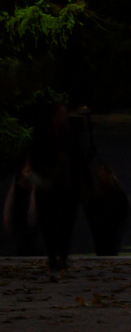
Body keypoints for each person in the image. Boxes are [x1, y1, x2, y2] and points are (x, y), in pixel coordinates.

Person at [28, 104, 84, 270]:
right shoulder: (44, 133)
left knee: (65, 222)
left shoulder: (68, 132)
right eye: (61, 113)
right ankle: (54, 256)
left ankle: (61, 256)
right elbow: (36, 157)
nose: (64, 116)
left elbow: (77, 156)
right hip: (50, 185)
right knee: (50, 223)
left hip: (66, 185)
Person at [82, 163, 130, 256]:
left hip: (110, 227)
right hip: (102, 227)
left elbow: (123, 207)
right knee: (104, 251)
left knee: (109, 251)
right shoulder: (98, 191)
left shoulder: (114, 191)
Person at [3, 159, 38, 255]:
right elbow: (8, 210)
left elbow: (33, 216)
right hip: (18, 235)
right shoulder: (16, 188)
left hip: (29, 236)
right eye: (28, 171)